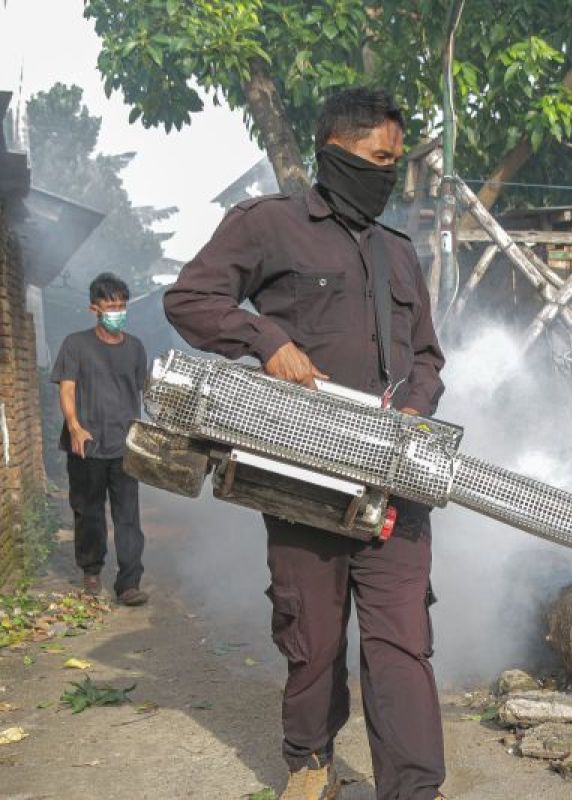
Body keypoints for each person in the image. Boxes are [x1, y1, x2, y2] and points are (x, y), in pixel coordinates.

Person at [163, 88, 446, 800]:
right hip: (302, 475)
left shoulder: (399, 254)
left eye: (396, 161)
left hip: (395, 481)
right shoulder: (268, 226)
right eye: (380, 159)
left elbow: (429, 359)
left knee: (401, 645)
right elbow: (190, 299)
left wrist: (414, 412)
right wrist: (268, 340)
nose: (391, 174)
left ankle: (413, 788)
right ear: (336, 152)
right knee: (312, 637)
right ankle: (309, 760)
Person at [51, 272, 149, 606]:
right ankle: (91, 571)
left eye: (121, 306)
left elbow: (143, 393)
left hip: (125, 445)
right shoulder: (75, 345)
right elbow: (67, 388)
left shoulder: (135, 347)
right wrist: (74, 426)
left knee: (128, 518)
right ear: (94, 308)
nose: (117, 312)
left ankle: (129, 583)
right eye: (110, 306)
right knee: (88, 512)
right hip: (87, 443)